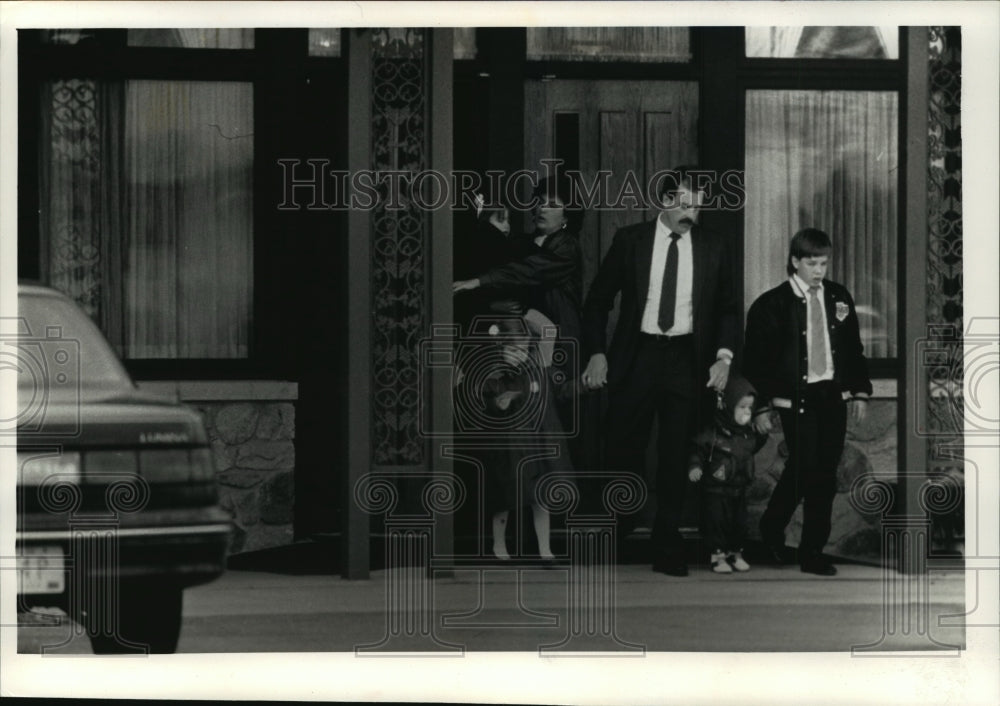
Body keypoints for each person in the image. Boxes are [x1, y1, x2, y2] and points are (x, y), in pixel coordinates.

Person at [581, 165, 739, 577]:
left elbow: (727, 308)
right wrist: (597, 353)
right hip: (637, 357)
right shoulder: (630, 240)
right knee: (621, 447)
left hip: (686, 360)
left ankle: (667, 543)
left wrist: (723, 358)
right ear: (665, 201)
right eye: (684, 203)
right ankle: (614, 535)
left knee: (675, 453)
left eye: (698, 206)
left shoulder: (714, 247)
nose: (692, 213)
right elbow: (597, 300)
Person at [743, 228, 872, 576]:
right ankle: (772, 529)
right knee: (803, 465)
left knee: (824, 472)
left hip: (831, 394)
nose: (819, 270)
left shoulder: (838, 298)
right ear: (795, 262)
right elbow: (755, 361)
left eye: (824, 263)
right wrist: (762, 405)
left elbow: (853, 350)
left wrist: (860, 391)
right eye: (812, 263)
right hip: (793, 397)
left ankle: (812, 550)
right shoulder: (772, 304)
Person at [464, 311, 577, 562]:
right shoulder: (493, 376)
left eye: (523, 349)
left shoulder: (539, 370)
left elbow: (562, 387)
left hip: (537, 445)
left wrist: (585, 384)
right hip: (508, 448)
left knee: (541, 498)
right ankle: (499, 544)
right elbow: (485, 404)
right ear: (500, 348)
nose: (519, 355)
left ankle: (545, 549)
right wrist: (498, 404)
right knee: (504, 499)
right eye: (513, 350)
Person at [452, 173, 584, 358]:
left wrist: (479, 281)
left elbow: (529, 271)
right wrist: (493, 305)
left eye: (552, 205)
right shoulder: (524, 242)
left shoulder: (567, 247)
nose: (542, 209)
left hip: (560, 342)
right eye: (540, 202)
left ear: (566, 217)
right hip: (524, 344)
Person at [688, 374, 768, 573]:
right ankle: (718, 556)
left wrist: (763, 433)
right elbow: (699, 449)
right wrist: (695, 467)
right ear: (728, 405)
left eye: (749, 408)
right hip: (716, 488)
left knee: (739, 524)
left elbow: (754, 446)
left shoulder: (748, 433)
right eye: (741, 407)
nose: (746, 412)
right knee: (717, 523)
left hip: (739, 488)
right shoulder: (714, 432)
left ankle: (736, 553)